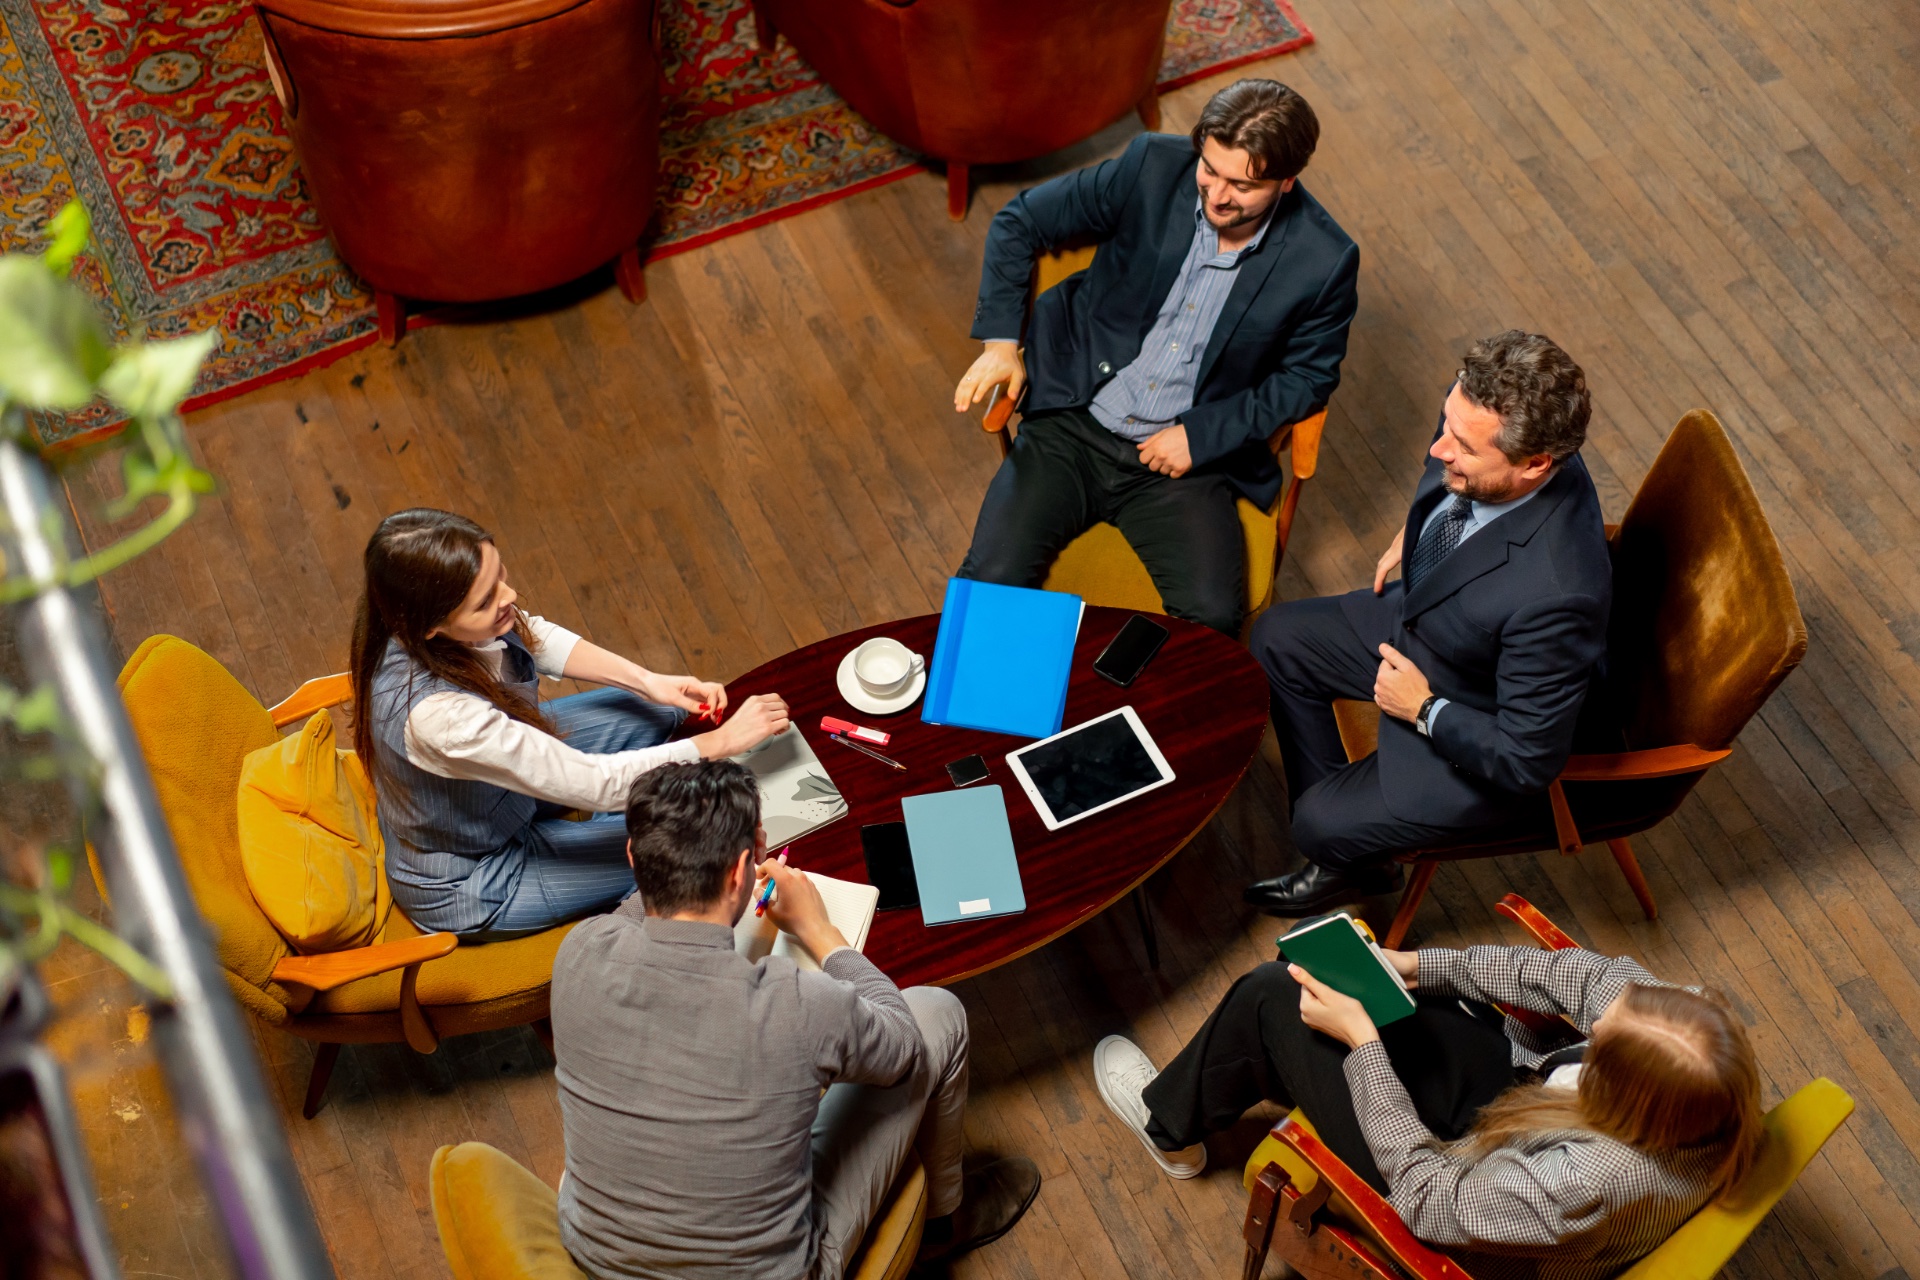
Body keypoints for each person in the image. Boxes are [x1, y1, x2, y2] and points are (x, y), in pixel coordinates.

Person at [550, 761, 1040, 1279]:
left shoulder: (580, 949)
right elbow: (901, 1046)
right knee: (937, 1013)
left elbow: (640, 914)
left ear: (633, 856)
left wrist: (692, 864)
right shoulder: (797, 1003)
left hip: (597, 1255)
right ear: (742, 871)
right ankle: (944, 1225)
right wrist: (816, 927)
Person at [1093, 940, 1763, 1280]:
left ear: (1620, 1094)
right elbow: (1584, 978)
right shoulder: (1693, 1047)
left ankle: (1169, 1130)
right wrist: (1412, 967)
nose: (1600, 1013)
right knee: (1320, 961)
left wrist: (1364, 1046)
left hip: (1462, 1185)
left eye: (1602, 1038)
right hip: (1522, 1103)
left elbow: (1430, 1197)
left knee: (1274, 993)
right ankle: (1267, 1061)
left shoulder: (1588, 1183)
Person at [953, 79, 1359, 635]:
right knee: (988, 583)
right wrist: (1001, 344)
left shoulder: (1325, 259)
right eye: (1210, 169)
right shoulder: (1151, 165)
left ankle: (1128, 695)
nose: (1217, 195)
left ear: (1287, 181)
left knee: (1212, 622)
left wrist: (1201, 436)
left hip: (1184, 463)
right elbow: (1020, 221)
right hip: (1072, 422)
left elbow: (1308, 377)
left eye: (1242, 185)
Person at [1244, 331, 1612, 915]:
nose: (1440, 448)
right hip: (1429, 617)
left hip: (1468, 699)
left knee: (1314, 824)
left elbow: (1526, 760)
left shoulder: (1558, 596)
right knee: (1275, 639)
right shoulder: (1486, 406)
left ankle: (1341, 852)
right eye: (1448, 423)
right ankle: (1351, 853)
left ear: (1536, 464)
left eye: (1462, 448)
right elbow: (1451, 444)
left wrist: (1423, 708)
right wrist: (1429, 523)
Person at [350, 508, 789, 940]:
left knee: (658, 711)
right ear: (430, 626)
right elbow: (596, 782)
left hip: (494, 792)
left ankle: (608, 817)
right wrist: (723, 741)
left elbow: (530, 633)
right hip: (477, 871)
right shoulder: (439, 718)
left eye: (500, 575)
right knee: (694, 845)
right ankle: (612, 830)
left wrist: (649, 682)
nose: (510, 595)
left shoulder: (425, 620)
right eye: (485, 602)